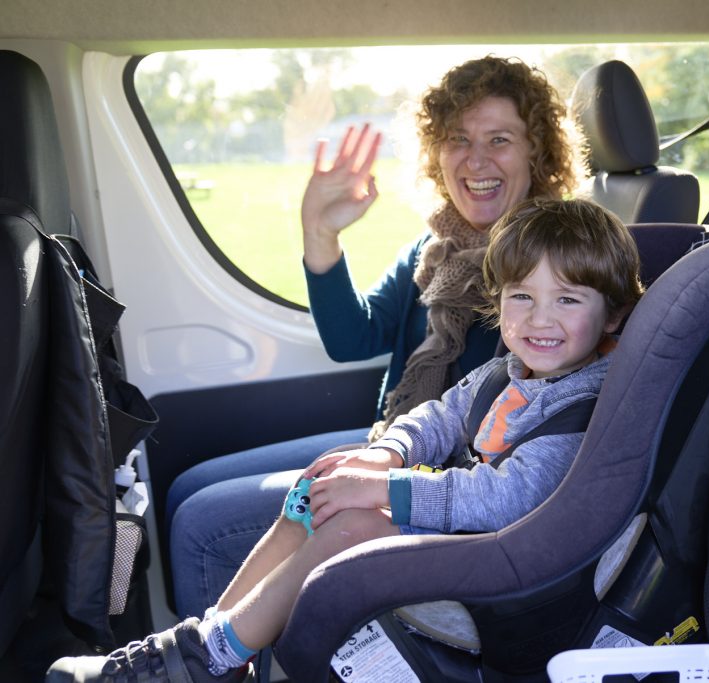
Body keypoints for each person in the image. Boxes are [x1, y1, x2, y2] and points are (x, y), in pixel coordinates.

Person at [47, 197, 645, 683]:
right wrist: (385, 452)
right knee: (320, 484)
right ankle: (212, 648)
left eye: (567, 300)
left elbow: (502, 499)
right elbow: (439, 416)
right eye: (522, 298)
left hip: (509, 575)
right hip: (470, 536)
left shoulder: (586, 407)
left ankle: (214, 655)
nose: (540, 320)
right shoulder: (506, 371)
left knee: (354, 523)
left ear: (613, 315)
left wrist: (383, 489)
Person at [164, 56, 584, 620]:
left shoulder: (547, 267)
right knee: (186, 486)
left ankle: (217, 659)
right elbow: (352, 339)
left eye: (500, 139)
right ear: (436, 154)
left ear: (537, 152)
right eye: (457, 138)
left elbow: (498, 442)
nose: (476, 159)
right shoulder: (434, 248)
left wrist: (381, 472)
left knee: (200, 527)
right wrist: (320, 232)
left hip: (451, 474)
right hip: (396, 437)